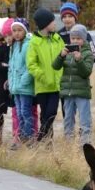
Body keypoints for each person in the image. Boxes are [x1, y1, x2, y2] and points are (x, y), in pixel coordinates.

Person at [27, 8, 64, 142]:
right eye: (52, 21)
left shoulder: (57, 38)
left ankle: (40, 136)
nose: (55, 24)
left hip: (56, 85)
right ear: (45, 24)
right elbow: (31, 64)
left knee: (52, 113)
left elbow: (62, 58)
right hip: (43, 86)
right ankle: (47, 143)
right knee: (45, 115)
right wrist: (43, 76)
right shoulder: (34, 42)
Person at [53, 23, 93, 142]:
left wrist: (79, 59)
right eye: (73, 38)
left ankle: (85, 145)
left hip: (82, 92)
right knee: (68, 120)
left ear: (84, 39)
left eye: (78, 38)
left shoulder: (87, 53)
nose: (75, 41)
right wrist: (61, 56)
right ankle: (68, 144)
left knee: (85, 120)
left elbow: (86, 72)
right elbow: (55, 66)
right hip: (67, 92)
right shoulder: (67, 51)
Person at [8, 18, 35, 146]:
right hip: (16, 86)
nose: (16, 33)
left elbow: (30, 66)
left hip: (24, 86)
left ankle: (28, 137)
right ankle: (22, 136)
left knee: (25, 112)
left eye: (19, 30)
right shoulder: (14, 45)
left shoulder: (28, 45)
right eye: (14, 30)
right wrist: (10, 80)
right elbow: (11, 66)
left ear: (25, 31)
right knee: (19, 113)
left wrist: (24, 80)